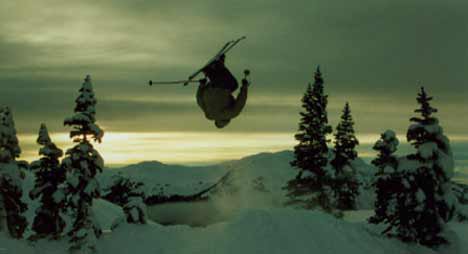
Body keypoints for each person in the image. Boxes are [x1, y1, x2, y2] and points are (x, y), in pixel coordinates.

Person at [196, 54, 250, 128]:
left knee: (233, 84)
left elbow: (240, 102)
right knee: (229, 86)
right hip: (208, 89)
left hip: (220, 89)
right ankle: (211, 70)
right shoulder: (208, 115)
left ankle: (215, 67)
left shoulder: (231, 114)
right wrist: (201, 86)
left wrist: (244, 87)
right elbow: (199, 100)